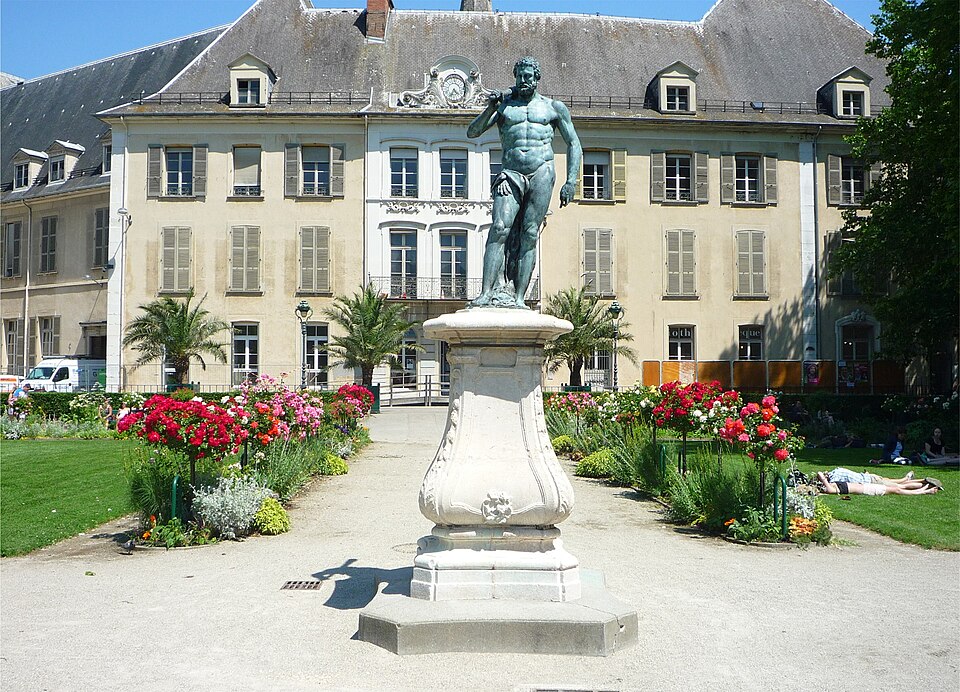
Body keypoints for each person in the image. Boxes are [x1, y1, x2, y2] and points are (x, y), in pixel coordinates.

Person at [466, 56, 582, 308]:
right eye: (519, 76)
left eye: (528, 75)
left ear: (537, 78)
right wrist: (491, 107)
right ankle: (486, 293)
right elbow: (472, 132)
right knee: (499, 228)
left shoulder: (553, 108)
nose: (523, 80)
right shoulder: (505, 106)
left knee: (530, 234)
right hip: (511, 174)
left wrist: (571, 181)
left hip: (542, 172)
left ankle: (519, 298)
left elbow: (574, 143)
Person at [817, 471, 941, 496]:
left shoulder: (832, 484)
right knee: (898, 488)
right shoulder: (830, 489)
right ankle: (926, 489)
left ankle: (926, 487)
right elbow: (823, 480)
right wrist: (822, 480)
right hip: (868, 489)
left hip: (867, 485)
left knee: (899, 486)